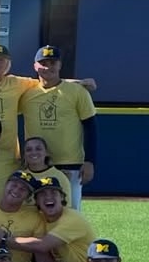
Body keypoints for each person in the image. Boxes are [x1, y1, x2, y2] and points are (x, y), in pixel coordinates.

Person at [20, 45, 97, 209]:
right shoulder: (27, 94)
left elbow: (90, 126)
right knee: (35, 212)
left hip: (70, 163)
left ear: (60, 65)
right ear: (35, 66)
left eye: (52, 63)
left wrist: (90, 161)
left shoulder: (77, 92)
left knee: (71, 210)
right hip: (37, 164)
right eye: (43, 63)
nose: (48, 67)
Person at [0, 176, 95, 262]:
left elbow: (42, 245)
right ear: (36, 201)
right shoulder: (40, 217)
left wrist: (3, 239)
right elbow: (13, 205)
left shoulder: (72, 219)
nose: (48, 197)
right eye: (42, 194)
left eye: (53, 193)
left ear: (62, 197)